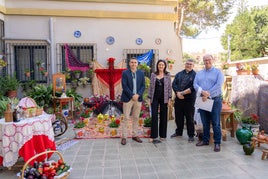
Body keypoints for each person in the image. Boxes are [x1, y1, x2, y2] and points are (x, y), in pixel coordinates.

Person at [193, 54, 224, 152]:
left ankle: (217, 142)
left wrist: (208, 93)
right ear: (203, 61)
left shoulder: (218, 72)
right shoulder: (199, 73)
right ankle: (205, 140)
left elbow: (218, 85)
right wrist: (202, 92)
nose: (207, 61)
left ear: (212, 60)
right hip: (203, 99)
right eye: (205, 60)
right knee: (205, 122)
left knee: (215, 122)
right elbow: (195, 84)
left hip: (215, 99)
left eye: (209, 59)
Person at [120, 57, 145, 145]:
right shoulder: (125, 73)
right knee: (126, 118)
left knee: (136, 117)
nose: (133, 64)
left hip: (138, 98)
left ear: (137, 64)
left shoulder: (141, 73)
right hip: (128, 98)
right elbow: (124, 85)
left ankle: (135, 135)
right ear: (129, 63)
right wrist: (132, 95)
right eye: (132, 62)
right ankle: (124, 137)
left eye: (135, 62)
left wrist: (138, 95)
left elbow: (143, 86)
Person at [171, 59, 196, 142]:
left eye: (190, 64)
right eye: (187, 64)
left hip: (189, 100)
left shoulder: (195, 75)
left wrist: (183, 93)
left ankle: (191, 135)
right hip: (178, 99)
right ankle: (178, 132)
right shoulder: (179, 74)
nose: (188, 65)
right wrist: (178, 93)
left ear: (193, 66)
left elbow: (194, 87)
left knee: (189, 118)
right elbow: (174, 84)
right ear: (185, 64)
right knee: (178, 117)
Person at [148, 60, 172, 143]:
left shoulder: (167, 75)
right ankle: (153, 135)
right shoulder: (153, 74)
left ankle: (162, 135)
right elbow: (151, 87)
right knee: (154, 116)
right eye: (159, 65)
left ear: (165, 66)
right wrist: (149, 98)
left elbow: (169, 87)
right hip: (154, 98)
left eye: (162, 65)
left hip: (164, 98)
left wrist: (169, 98)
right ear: (157, 66)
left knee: (163, 116)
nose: (161, 66)